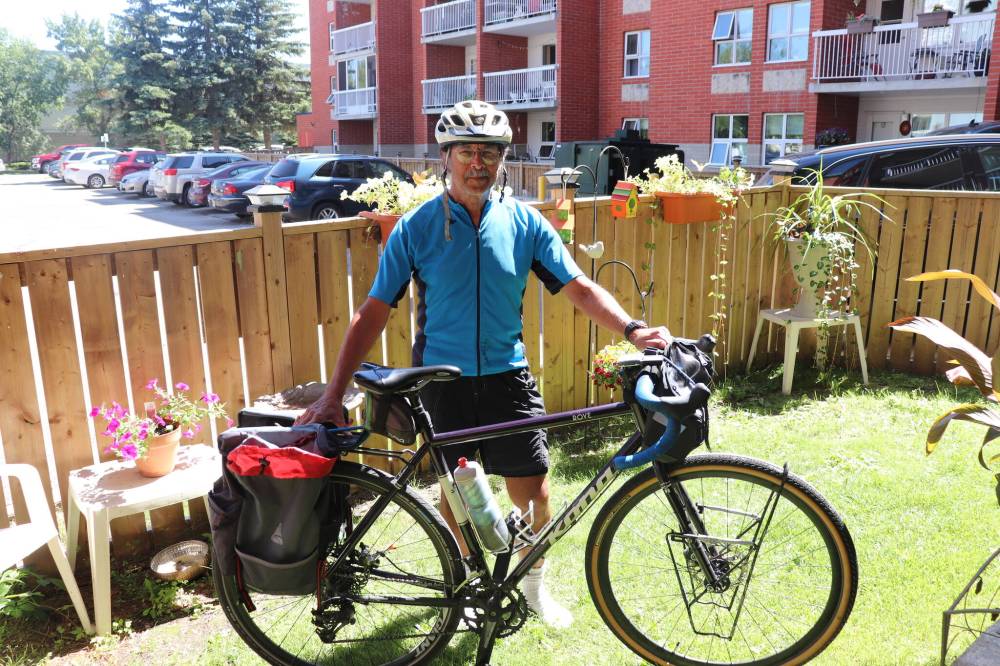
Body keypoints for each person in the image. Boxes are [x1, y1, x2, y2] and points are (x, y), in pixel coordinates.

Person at [296, 100, 671, 628]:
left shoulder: (525, 223)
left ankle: (533, 587)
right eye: (466, 152)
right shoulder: (416, 227)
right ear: (445, 158)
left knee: (535, 492)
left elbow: (579, 287)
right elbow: (374, 311)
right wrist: (333, 394)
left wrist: (633, 328)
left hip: (507, 375)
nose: (478, 162)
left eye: (490, 153)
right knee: (458, 495)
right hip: (441, 382)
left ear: (502, 159)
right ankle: (470, 585)